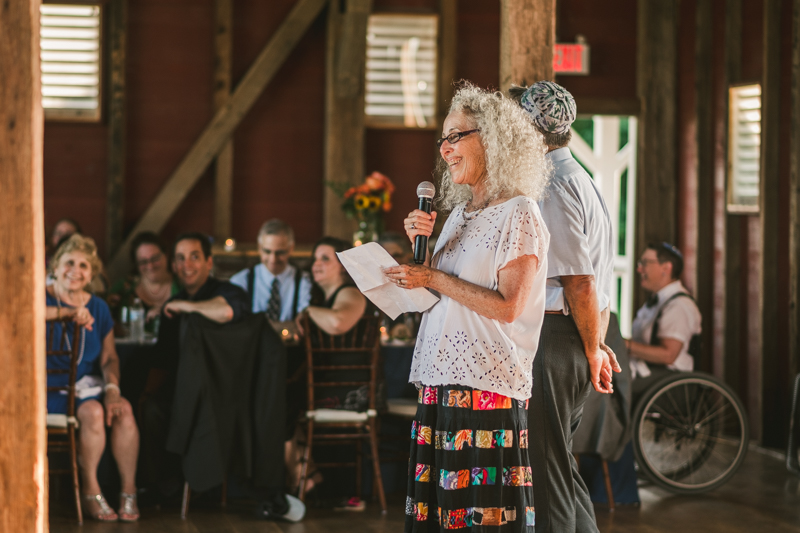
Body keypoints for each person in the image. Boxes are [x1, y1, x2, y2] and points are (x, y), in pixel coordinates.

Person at [384, 83, 550, 532]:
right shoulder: (457, 214)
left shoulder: (520, 213)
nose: (445, 148)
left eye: (456, 135)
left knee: (480, 516)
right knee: (437, 514)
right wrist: (415, 263)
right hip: (439, 379)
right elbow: (436, 299)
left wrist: (433, 276)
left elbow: (509, 307)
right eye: (443, 138)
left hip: (485, 385)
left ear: (493, 138)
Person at [510, 80, 620, 533]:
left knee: (545, 474)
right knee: (560, 467)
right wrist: (594, 342)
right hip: (569, 334)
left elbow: (578, 282)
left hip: (555, 338)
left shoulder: (552, 186)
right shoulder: (579, 178)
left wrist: (593, 348)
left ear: (533, 130)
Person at [140, 233, 250, 499]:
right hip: (181, 391)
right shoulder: (171, 308)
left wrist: (186, 307)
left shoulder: (228, 291)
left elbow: (226, 312)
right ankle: (164, 485)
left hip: (221, 393)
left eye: (194, 257)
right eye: (180, 258)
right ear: (174, 265)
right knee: (150, 409)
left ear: (209, 262)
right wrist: (144, 395)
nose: (187, 264)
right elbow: (163, 361)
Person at [45, 234, 140, 522]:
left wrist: (112, 387)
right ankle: (90, 489)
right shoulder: (40, 295)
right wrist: (71, 312)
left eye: (84, 265)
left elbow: (109, 357)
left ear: (91, 274)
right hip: (50, 388)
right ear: (55, 267)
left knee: (122, 410)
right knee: (94, 413)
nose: (76, 270)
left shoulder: (98, 306)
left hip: (85, 384)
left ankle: (128, 490)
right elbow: (22, 312)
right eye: (69, 263)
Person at [286, 237, 369, 497]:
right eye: (315, 259)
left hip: (348, 390)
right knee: (273, 399)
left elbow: (337, 323)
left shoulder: (350, 293)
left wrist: (308, 312)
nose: (316, 264)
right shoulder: (324, 298)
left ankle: (303, 476)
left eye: (325, 259)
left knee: (276, 402)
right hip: (326, 384)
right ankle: (304, 473)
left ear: (343, 266)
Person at [626, 242, 701, 404]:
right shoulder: (655, 301)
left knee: (615, 387)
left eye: (645, 263)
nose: (639, 269)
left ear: (666, 268)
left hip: (670, 380)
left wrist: (626, 344)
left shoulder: (679, 305)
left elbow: (669, 355)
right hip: (648, 371)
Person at [230, 219, 312, 335]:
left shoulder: (304, 281)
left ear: (291, 248)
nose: (273, 259)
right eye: (267, 251)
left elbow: (303, 325)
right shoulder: (240, 280)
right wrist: (288, 325)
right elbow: (235, 326)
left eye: (280, 252)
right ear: (259, 248)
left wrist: (254, 327)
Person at [107, 231, 180, 329]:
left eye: (155, 259)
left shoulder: (182, 285)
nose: (150, 266)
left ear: (166, 255)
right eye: (143, 262)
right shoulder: (124, 287)